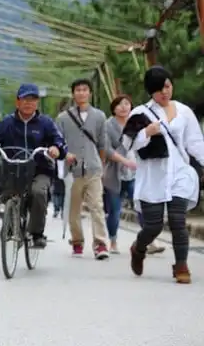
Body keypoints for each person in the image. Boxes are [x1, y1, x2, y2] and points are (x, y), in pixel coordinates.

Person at [126, 66, 204, 284]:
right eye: (159, 89)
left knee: (178, 221)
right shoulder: (139, 113)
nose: (165, 92)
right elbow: (127, 143)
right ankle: (138, 248)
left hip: (179, 173)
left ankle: (181, 266)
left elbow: (195, 142)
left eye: (168, 86)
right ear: (151, 91)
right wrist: (146, 133)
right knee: (154, 226)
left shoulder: (184, 111)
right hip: (153, 176)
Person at [0, 83, 67, 249]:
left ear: (37, 103)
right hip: (14, 169)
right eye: (25, 99)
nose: (29, 103)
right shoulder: (8, 122)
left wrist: (55, 149)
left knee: (38, 193)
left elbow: (59, 141)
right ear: (17, 102)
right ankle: (10, 222)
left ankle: (37, 234)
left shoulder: (46, 123)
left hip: (40, 169)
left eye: (33, 99)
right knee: (5, 196)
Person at [56, 78, 110, 259]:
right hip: (73, 170)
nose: (81, 93)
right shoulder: (63, 118)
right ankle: (77, 242)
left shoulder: (100, 116)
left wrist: (101, 165)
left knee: (97, 206)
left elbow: (102, 143)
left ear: (90, 93)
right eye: (78, 90)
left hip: (94, 168)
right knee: (74, 210)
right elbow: (58, 143)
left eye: (84, 89)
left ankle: (100, 244)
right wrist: (65, 155)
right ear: (73, 94)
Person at [102, 95, 138, 254]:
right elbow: (107, 149)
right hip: (114, 173)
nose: (123, 107)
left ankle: (150, 240)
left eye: (127, 104)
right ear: (114, 108)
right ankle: (113, 240)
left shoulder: (137, 123)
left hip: (135, 172)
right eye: (119, 104)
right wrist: (125, 161)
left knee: (141, 206)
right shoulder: (107, 125)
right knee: (115, 210)